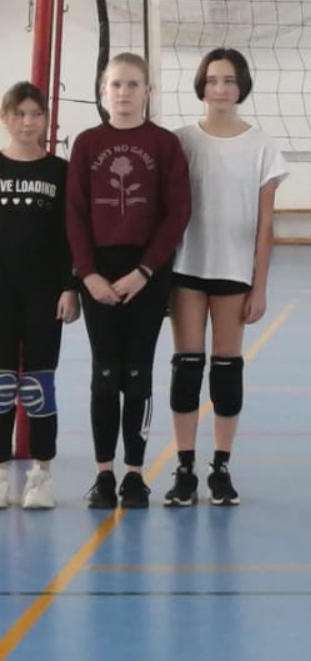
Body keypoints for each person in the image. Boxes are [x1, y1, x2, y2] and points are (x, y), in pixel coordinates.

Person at [67, 53, 192, 509]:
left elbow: (177, 213)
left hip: (146, 274)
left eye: (132, 84)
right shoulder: (87, 143)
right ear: (104, 91)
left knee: (138, 371)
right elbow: (74, 213)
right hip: (99, 273)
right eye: (116, 84)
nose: (123, 92)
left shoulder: (164, 144)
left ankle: (135, 474)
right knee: (105, 373)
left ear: (147, 92)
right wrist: (88, 273)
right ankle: (104, 474)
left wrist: (146, 271)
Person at [164, 49, 288, 507]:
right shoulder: (181, 141)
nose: (220, 88)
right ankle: (184, 468)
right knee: (186, 368)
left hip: (234, 272)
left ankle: (220, 466)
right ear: (201, 84)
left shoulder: (261, 145)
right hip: (187, 268)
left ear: (242, 86)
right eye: (213, 79)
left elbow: (266, 223)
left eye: (229, 80)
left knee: (226, 371)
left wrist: (260, 286)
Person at [0, 82, 77, 509]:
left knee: (38, 385)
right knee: (1, 385)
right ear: (5, 118)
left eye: (36, 114)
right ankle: (1, 475)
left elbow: (70, 237)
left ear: (46, 119)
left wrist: (70, 286)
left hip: (44, 293)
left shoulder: (59, 171)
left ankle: (41, 476)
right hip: (2, 293)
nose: (28, 122)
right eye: (20, 114)